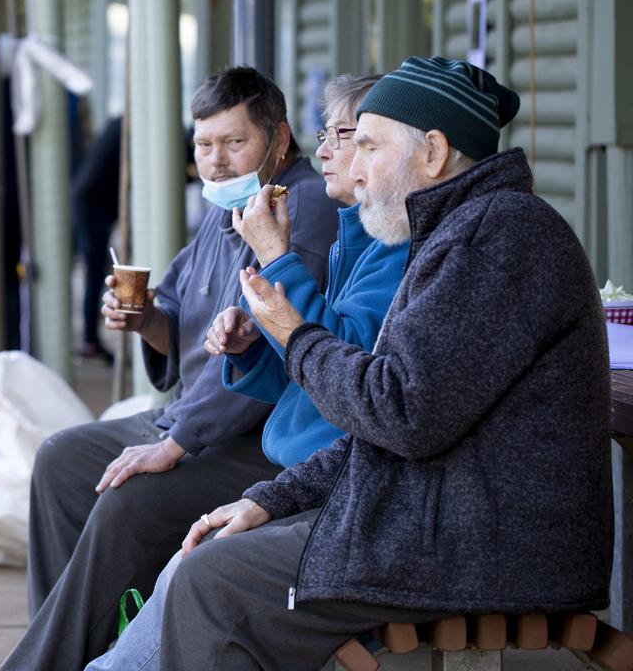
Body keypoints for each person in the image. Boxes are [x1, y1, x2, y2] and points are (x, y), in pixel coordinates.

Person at [158, 56, 612, 670]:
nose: (357, 169)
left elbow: (398, 412)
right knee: (217, 555)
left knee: (213, 583)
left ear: (432, 152)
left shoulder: (497, 236)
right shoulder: (458, 231)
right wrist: (273, 496)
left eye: (369, 146)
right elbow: (396, 418)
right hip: (438, 519)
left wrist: (293, 333)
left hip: (484, 547)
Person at [0, 67, 343, 671]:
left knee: (128, 498)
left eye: (235, 143)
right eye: (204, 145)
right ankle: (74, 649)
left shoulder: (301, 208)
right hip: (185, 420)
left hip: (257, 439)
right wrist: (145, 319)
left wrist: (179, 441)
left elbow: (276, 344)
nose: (216, 161)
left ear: (280, 140)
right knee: (60, 459)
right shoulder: (225, 205)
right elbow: (179, 308)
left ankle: (44, 663)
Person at [84, 72, 412, 669]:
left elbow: (347, 381)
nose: (330, 151)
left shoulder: (356, 229)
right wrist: (246, 349)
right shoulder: (349, 233)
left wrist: (275, 260)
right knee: (80, 471)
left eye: (356, 139)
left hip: (318, 475)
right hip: (300, 464)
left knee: (182, 551)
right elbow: (302, 367)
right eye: (203, 145)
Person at [71, 116, 122, 362]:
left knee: (97, 270)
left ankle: (91, 339)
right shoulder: (129, 128)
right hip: (93, 204)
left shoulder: (119, 124)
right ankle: (90, 341)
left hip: (91, 201)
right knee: (94, 271)